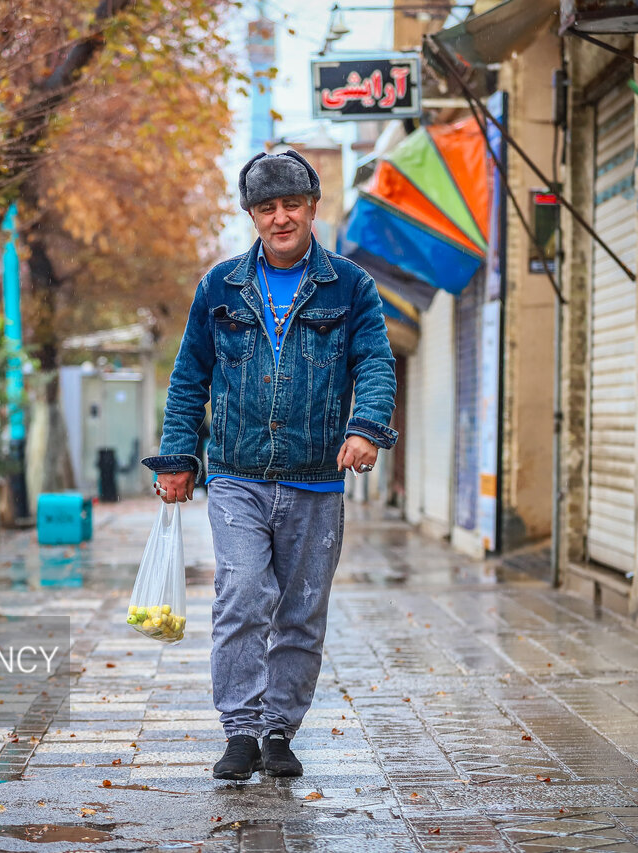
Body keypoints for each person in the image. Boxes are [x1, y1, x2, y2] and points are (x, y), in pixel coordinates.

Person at [142, 149, 398, 780]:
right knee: (243, 595)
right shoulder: (220, 287)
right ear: (252, 216)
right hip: (238, 474)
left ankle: (279, 731)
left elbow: (374, 362)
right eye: (266, 208)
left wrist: (365, 428)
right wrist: (178, 457)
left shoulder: (350, 286)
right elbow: (189, 378)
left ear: (312, 208)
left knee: (302, 612)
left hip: (316, 477)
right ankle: (240, 731)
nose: (280, 218)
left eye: (291, 205)